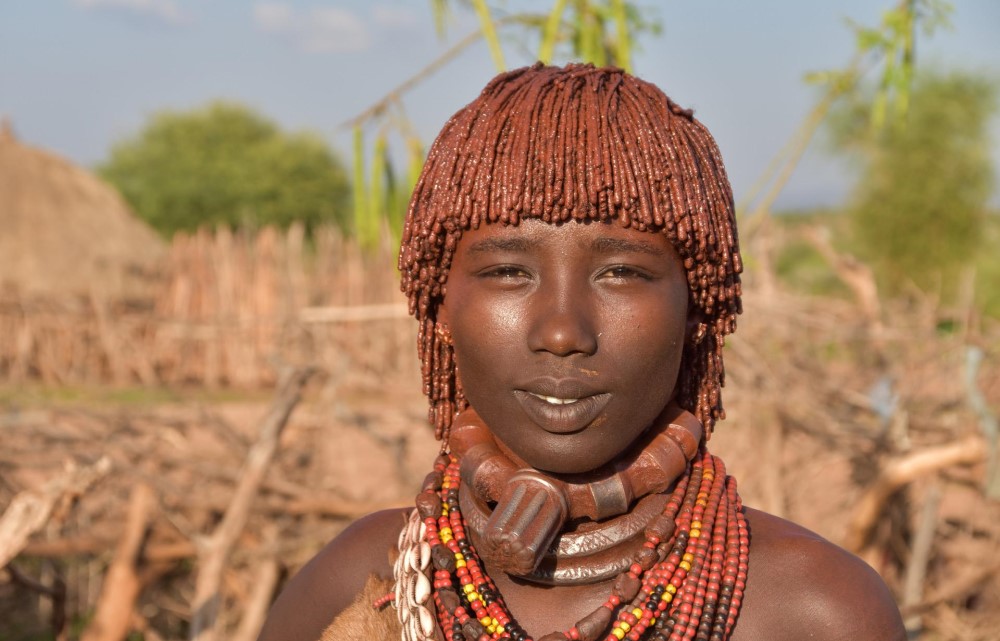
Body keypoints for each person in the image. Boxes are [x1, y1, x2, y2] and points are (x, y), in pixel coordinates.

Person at [257, 63, 905, 641]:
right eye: (508, 272)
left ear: (698, 307)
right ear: (440, 307)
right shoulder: (364, 582)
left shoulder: (815, 610)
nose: (563, 331)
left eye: (622, 272)